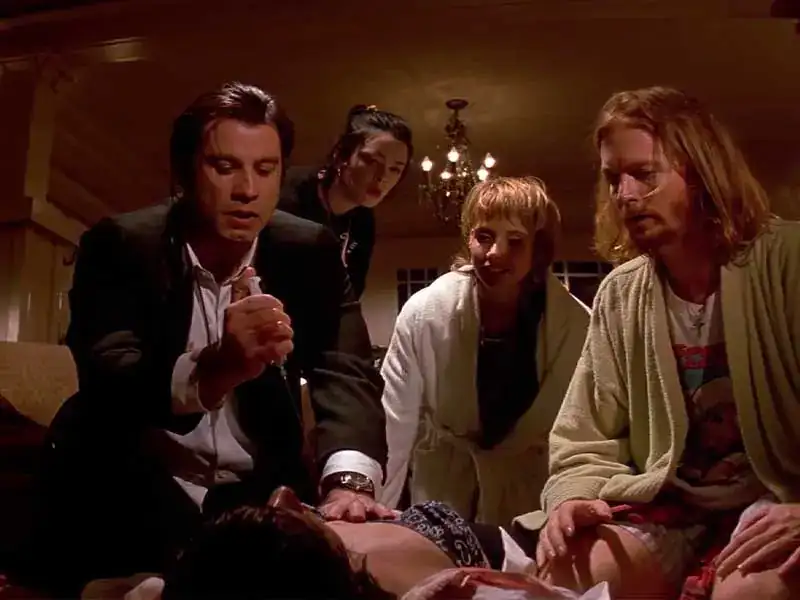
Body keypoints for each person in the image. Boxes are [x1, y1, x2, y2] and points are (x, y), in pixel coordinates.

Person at [31, 82, 391, 595]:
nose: (247, 189)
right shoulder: (121, 245)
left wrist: (347, 482)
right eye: (224, 167)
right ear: (183, 173)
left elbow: (345, 366)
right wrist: (215, 368)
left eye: (265, 169)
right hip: (122, 486)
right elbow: (110, 377)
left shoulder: (309, 249)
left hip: (252, 498)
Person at [536, 86, 800, 600]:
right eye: (614, 179)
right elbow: (585, 435)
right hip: (669, 502)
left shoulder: (788, 261)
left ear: (700, 173)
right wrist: (571, 497)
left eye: (644, 174)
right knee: (567, 574)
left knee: (750, 593)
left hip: (779, 496)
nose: (625, 195)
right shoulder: (621, 293)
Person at [380, 176, 590, 528]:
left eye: (515, 241)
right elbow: (394, 420)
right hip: (444, 490)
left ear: (538, 248)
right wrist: (378, 511)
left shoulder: (576, 324)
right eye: (485, 236)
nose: (495, 253)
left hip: (533, 496)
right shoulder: (425, 312)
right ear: (469, 238)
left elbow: (584, 433)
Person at [159, 486, 544, 600]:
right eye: (278, 520)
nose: (282, 495)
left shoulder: (194, 580)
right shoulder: (455, 590)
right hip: (522, 555)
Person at [278, 104, 413, 299]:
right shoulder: (288, 193)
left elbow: (352, 295)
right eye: (372, 161)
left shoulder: (363, 221)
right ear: (342, 155)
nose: (383, 177)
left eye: (395, 169)